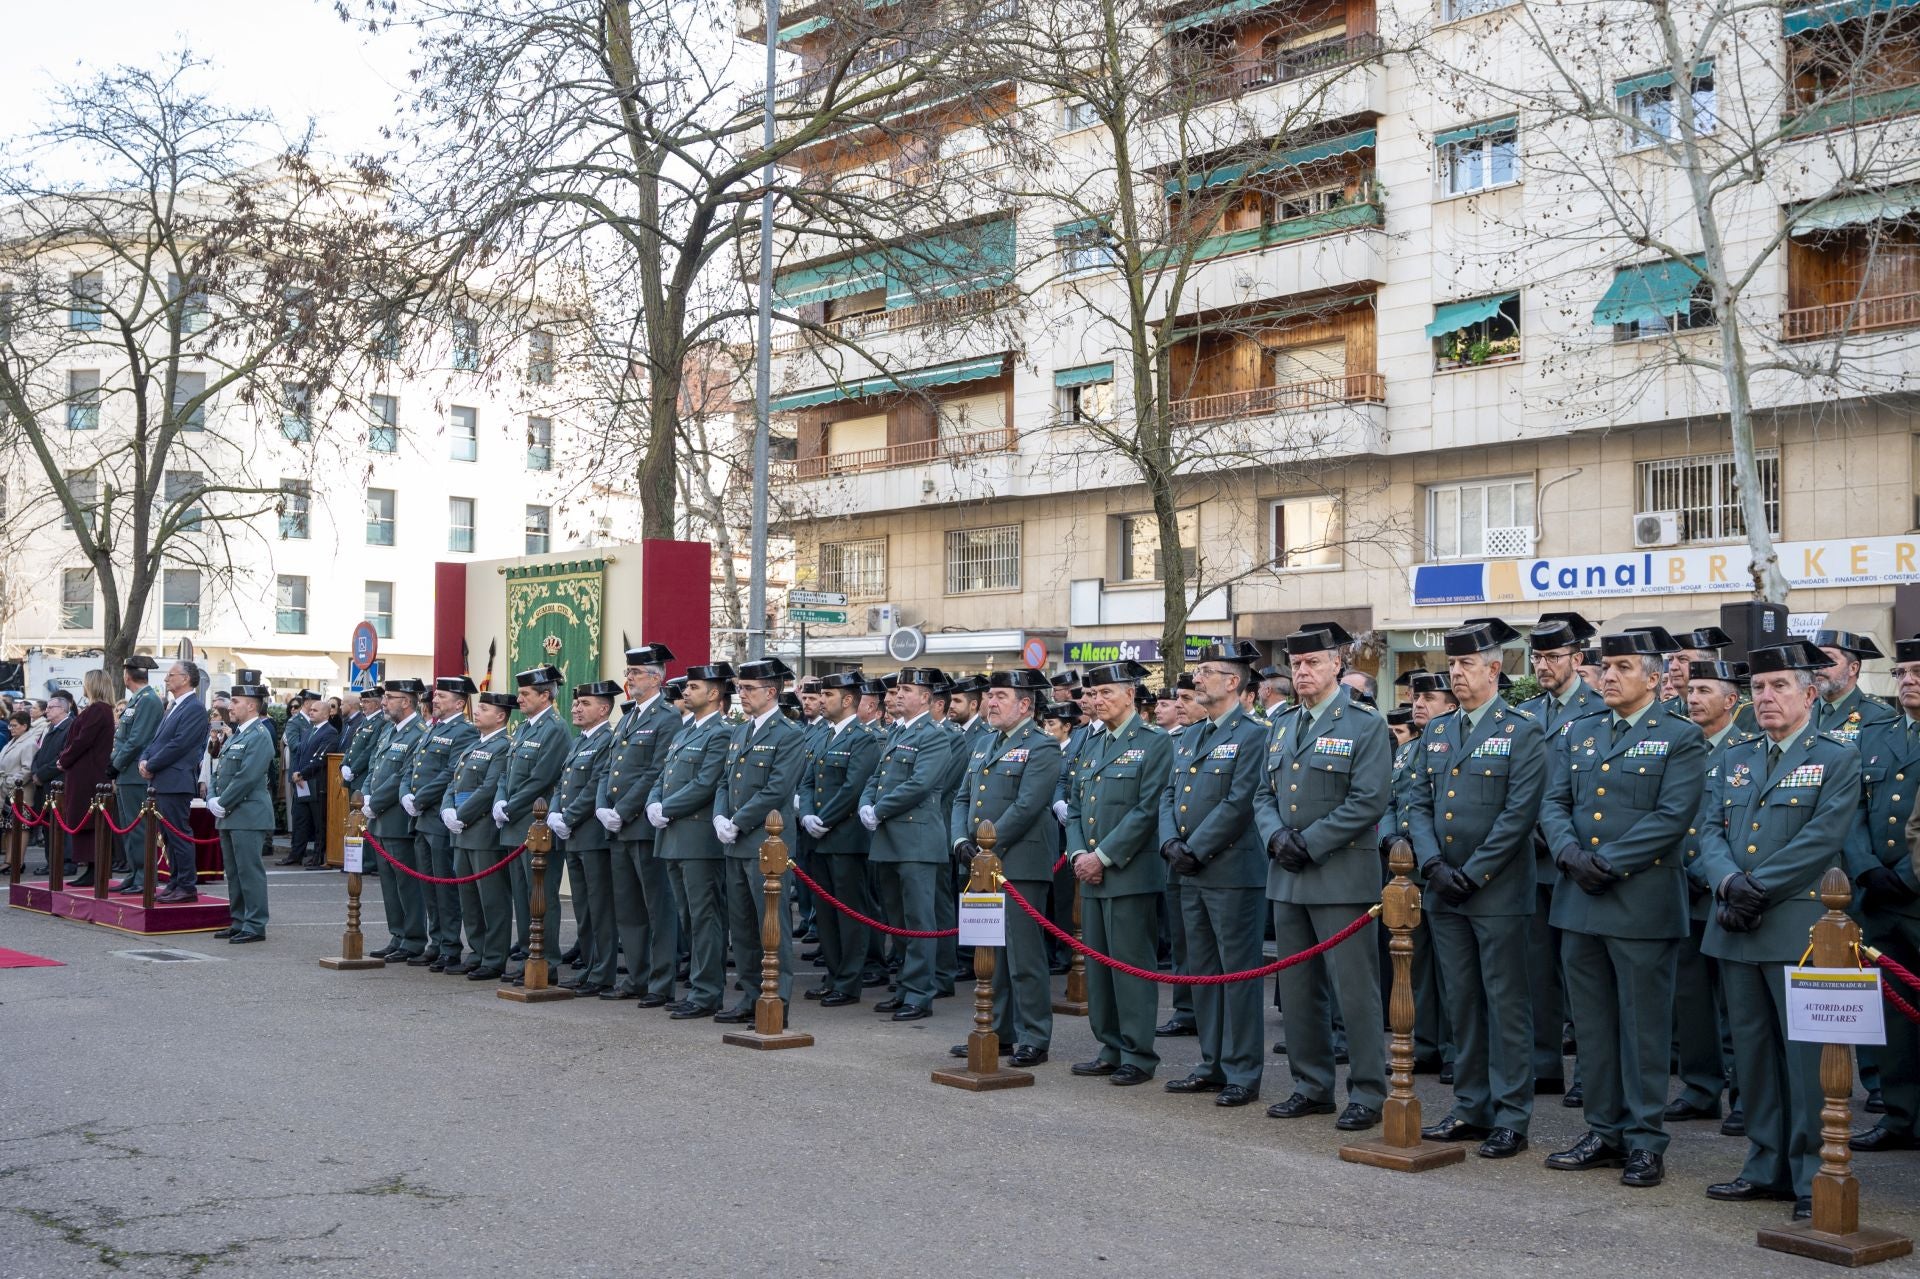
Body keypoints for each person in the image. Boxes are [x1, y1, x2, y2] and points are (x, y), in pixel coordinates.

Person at [1695, 640, 1861, 1222]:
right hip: (1737, 924)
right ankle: (1764, 1165)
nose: (1766, 697)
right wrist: (1725, 883)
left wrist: (1754, 886)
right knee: (1754, 1056)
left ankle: (1815, 1174)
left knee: (1806, 1058)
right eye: (1759, 688)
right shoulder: (1736, 755)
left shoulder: (1837, 756)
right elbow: (1707, 830)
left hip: (1797, 926)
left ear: (1810, 694)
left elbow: (1822, 837)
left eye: (1780, 686)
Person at [1538, 629, 1706, 1189]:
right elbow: (1554, 802)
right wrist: (1566, 853)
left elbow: (1673, 815)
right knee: (1593, 1026)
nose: (1608, 676)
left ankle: (1644, 1140)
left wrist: (1605, 862)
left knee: (1643, 1029)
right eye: (1606, 667)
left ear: (1655, 679)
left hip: (1639, 901)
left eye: (1624, 667)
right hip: (1579, 902)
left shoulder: (1679, 736)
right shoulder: (1580, 732)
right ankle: (1603, 1130)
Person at [1408, 622, 1549, 1159]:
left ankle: (1512, 1113)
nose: (1456, 675)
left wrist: (1476, 872)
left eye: (1466, 666)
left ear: (1494, 670)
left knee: (1505, 1002)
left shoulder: (1523, 729)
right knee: (1461, 1002)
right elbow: (1417, 802)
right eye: (1452, 666)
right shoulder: (1439, 732)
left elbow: (1519, 814)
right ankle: (1471, 1105)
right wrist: (1433, 864)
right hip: (1445, 888)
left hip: (1496, 892)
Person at [1254, 624, 1392, 1129]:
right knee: (1298, 989)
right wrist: (1274, 837)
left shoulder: (1364, 724)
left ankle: (1369, 1092)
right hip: (1288, 875)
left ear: (1337, 664)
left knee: (1354, 991)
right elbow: (1262, 795)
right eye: (1296, 664)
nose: (1303, 671)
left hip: (1339, 875)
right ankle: (1310, 1085)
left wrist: (1308, 842)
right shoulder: (1283, 723)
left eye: (1313, 662)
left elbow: (1369, 800)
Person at [1158, 641, 1270, 1106]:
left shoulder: (1254, 735)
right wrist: (1170, 843)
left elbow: (1240, 802)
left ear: (1233, 682)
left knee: (1238, 974)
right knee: (1202, 971)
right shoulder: (1190, 736)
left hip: (1231, 871)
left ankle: (1242, 1070)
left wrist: (1195, 848)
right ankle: (1212, 1063)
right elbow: (1168, 795)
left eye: (1206, 671)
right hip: (1189, 870)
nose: (1197, 679)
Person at [946, 668, 1062, 1066]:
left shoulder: (1043, 747)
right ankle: (995, 1029)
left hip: (1019, 865)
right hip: (982, 865)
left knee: (1023, 956)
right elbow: (963, 798)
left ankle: (1034, 1035)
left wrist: (985, 845)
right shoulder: (983, 744)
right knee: (989, 953)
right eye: (990, 696)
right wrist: (961, 841)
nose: (990, 703)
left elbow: (1028, 805)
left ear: (1025, 704)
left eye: (1000, 696)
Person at [1064, 660, 1172, 1085]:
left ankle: (1138, 1054)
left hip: (1127, 872)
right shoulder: (1092, 744)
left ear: (1130, 694)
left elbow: (1148, 809)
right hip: (1089, 873)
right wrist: (1076, 854)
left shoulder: (1154, 742)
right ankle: (1108, 1045)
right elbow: (1075, 806)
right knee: (1099, 967)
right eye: (1093, 694)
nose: (1097, 700)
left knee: (1130, 966)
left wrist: (1102, 856)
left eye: (1107, 692)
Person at [1519, 610, 1600, 1099]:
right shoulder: (1529, 713)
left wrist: (1561, 835)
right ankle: (1543, 1064)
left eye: (1552, 657)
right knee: (1537, 972)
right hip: (1532, 855)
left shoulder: (1597, 708)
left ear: (1578, 658)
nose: (1543, 666)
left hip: (1575, 859)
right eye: (1537, 657)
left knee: (1582, 976)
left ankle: (1590, 1073)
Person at [1847, 638, 1920, 1154]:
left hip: (1915, 890)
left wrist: (1909, 876)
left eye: (1918, 671)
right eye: (1902, 672)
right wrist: (1867, 867)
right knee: (1893, 1013)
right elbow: (1849, 806)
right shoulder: (1878, 734)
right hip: (1879, 894)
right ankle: (1900, 1114)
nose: (1908, 680)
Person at [1673, 658, 1749, 1126]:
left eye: (1705, 690)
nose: (1694, 698)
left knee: (1737, 1004)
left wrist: (1708, 871)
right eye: (1692, 689)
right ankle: (1701, 1088)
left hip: (1726, 890)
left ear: (1731, 700)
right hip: (1681, 887)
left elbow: (1735, 826)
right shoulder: (1681, 745)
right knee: (1693, 1000)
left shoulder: (1747, 748)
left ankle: (1744, 1095)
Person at [860, 666, 956, 1023]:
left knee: (918, 921)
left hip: (916, 840)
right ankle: (904, 986)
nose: (898, 694)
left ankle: (920, 992)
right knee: (896, 920)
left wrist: (879, 809)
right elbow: (876, 778)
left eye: (906, 689)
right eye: (897, 689)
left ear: (926, 698)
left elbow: (920, 783)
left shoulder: (933, 735)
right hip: (889, 839)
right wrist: (866, 804)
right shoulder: (896, 733)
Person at [595, 643, 682, 1005]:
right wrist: (603, 805)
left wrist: (626, 809)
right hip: (617, 825)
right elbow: (608, 768)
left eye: (635, 673)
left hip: (642, 824)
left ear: (656, 678)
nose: (628, 678)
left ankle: (661, 982)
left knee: (657, 907)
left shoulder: (666, 717)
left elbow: (656, 770)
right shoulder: (628, 717)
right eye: (628, 672)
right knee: (628, 907)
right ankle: (636, 975)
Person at [648, 662, 734, 1018]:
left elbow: (706, 783)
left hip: (698, 839)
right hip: (673, 836)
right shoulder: (684, 732)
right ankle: (699, 986)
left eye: (694, 686)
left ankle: (707, 991)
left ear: (714, 694)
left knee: (704, 918)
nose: (686, 691)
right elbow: (663, 775)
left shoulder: (721, 733)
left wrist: (666, 807)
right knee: (688, 918)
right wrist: (654, 801)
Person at [798, 670, 880, 1006]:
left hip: (846, 838)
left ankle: (848, 982)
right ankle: (833, 974)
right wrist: (806, 815)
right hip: (818, 837)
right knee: (825, 912)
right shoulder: (822, 736)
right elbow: (805, 782)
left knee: (849, 913)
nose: (821, 700)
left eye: (828, 695)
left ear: (847, 700)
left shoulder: (862, 738)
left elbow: (854, 787)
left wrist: (824, 819)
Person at [495, 666, 573, 983]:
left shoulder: (554, 729)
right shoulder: (526, 728)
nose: (520, 698)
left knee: (542, 896)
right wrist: (500, 799)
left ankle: (547, 959)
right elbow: (506, 772)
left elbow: (542, 779)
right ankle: (530, 953)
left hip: (535, 824)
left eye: (526, 693)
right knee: (523, 896)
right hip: (515, 823)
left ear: (545, 696)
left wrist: (510, 805)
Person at [441, 691, 519, 981]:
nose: (478, 712)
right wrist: (447, 810)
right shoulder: (472, 746)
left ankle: (494, 957)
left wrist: (460, 816)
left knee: (491, 899)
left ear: (500, 716)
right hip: (461, 833)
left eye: (484, 709)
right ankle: (476, 952)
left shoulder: (502, 746)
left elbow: (488, 789)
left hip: (483, 831)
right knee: (469, 898)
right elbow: (454, 783)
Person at [548, 679, 620, 994]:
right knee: (583, 906)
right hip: (573, 835)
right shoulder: (580, 741)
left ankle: (603, 971)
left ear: (604, 709)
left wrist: (568, 816)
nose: (576, 708)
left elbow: (594, 788)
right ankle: (590, 966)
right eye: (576, 703)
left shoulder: (607, 740)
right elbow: (562, 783)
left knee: (600, 907)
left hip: (591, 835)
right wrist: (553, 812)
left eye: (585, 704)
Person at [405, 677, 479, 969]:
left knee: (444, 887)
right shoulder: (433, 728)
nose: (434, 701)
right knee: (428, 886)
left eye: (442, 697)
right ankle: (435, 942)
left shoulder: (464, 732)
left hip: (438, 817)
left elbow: (451, 773)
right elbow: (413, 766)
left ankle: (450, 945)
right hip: (422, 818)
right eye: (435, 697)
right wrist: (406, 796)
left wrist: (419, 798)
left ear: (459, 703)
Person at [364, 679, 430, 963]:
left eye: (390, 697)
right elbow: (373, 768)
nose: (384, 702)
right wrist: (364, 796)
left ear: (406, 701)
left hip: (398, 820)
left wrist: (374, 803)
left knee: (406, 883)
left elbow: (402, 776)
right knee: (389, 884)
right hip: (379, 819)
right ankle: (397, 934)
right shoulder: (390, 731)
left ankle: (413, 938)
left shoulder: (418, 733)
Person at [210, 671, 276, 942]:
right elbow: (220, 771)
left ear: (251, 705)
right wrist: (213, 797)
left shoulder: (259, 735)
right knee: (234, 872)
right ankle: (238, 920)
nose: (230, 706)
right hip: (230, 814)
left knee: (249, 871)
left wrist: (222, 802)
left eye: (235, 701)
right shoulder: (238, 735)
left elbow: (247, 776)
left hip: (248, 813)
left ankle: (255, 924)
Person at [141, 662, 209, 902]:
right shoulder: (173, 706)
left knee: (178, 834)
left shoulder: (194, 708)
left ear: (186, 679)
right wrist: (145, 758)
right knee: (168, 836)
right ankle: (175, 880)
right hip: (162, 779)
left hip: (176, 780)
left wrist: (151, 764)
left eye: (171, 675)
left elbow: (179, 744)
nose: (167, 679)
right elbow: (157, 740)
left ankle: (187, 886)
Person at [54, 670, 116, 887]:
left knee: (88, 820)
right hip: (84, 772)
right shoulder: (97, 710)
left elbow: (82, 740)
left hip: (88, 774)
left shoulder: (98, 710)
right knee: (83, 820)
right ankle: (90, 867)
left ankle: (93, 867)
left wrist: (64, 759)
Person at [110, 656, 163, 888]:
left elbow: (137, 739)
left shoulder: (148, 700)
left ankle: (144, 876)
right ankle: (134, 872)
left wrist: (116, 763)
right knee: (128, 827)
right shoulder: (137, 700)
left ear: (126, 675)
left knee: (138, 828)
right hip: (126, 773)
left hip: (134, 773)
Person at [284, 696, 339, 869]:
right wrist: (296, 772)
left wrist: (303, 773)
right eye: (311, 709)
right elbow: (299, 754)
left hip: (317, 784)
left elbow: (321, 758)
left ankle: (317, 857)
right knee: (300, 819)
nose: (310, 712)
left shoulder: (330, 732)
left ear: (326, 714)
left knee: (318, 822)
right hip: (302, 782)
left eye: (315, 710)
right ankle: (296, 854)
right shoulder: (309, 730)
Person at [1813, 629, 1895, 739]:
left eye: (1828, 659)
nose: (1819, 665)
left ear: (1853, 668)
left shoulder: (1877, 715)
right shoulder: (1802, 709)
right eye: (1815, 659)